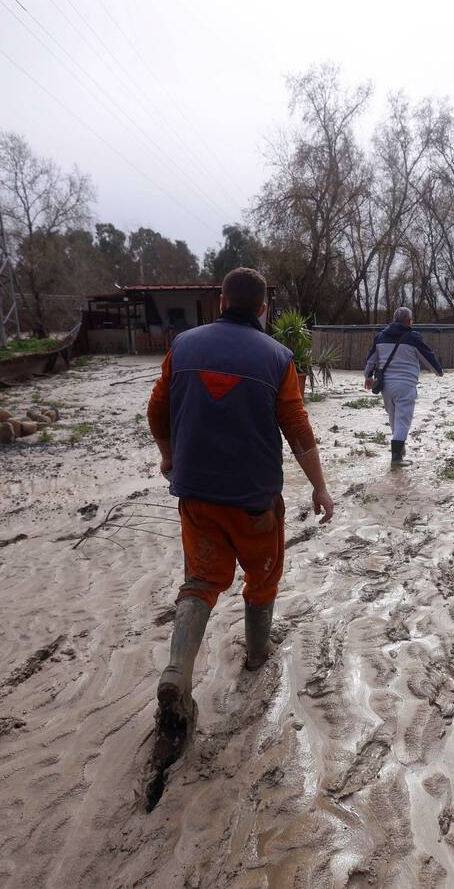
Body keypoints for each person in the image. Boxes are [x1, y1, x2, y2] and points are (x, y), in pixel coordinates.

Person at [146, 267, 335, 738]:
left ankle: (176, 672)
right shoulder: (278, 357)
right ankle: (256, 654)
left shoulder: (183, 346)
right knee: (262, 574)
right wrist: (319, 487)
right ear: (264, 309)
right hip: (254, 500)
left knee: (201, 581)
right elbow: (297, 428)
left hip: (195, 494)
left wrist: (168, 456)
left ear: (221, 301)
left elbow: (157, 409)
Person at [363, 307, 444, 466]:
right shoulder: (413, 338)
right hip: (406, 385)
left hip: (386, 386)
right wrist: (439, 372)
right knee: (403, 420)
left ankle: (398, 448)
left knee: (393, 417)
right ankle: (397, 458)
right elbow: (428, 357)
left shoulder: (380, 337)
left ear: (394, 319)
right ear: (409, 321)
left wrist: (368, 376)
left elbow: (371, 359)